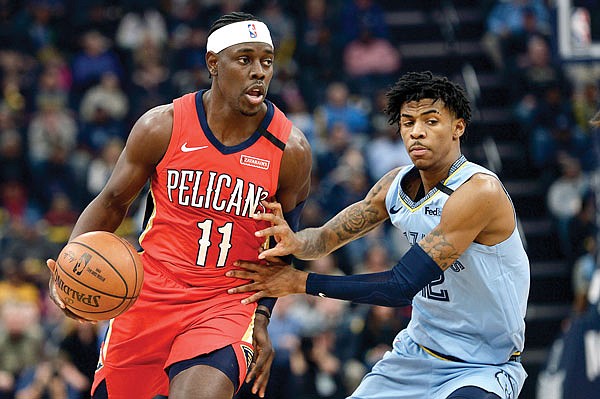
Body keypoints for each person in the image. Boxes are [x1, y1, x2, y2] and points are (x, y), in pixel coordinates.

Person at [45, 12, 312, 399]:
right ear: (213, 64)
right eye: (245, 59)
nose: (259, 72)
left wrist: (263, 318)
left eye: (266, 62)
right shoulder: (162, 126)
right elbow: (112, 202)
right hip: (149, 290)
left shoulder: (290, 150)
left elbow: (283, 246)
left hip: (225, 302)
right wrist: (70, 271)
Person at [228, 71, 530, 399]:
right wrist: (296, 240)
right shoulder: (394, 185)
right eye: (408, 122)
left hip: (483, 365)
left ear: (458, 127)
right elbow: (326, 239)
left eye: (431, 121)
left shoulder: (477, 191)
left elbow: (400, 288)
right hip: (416, 356)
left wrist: (300, 282)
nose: (417, 132)